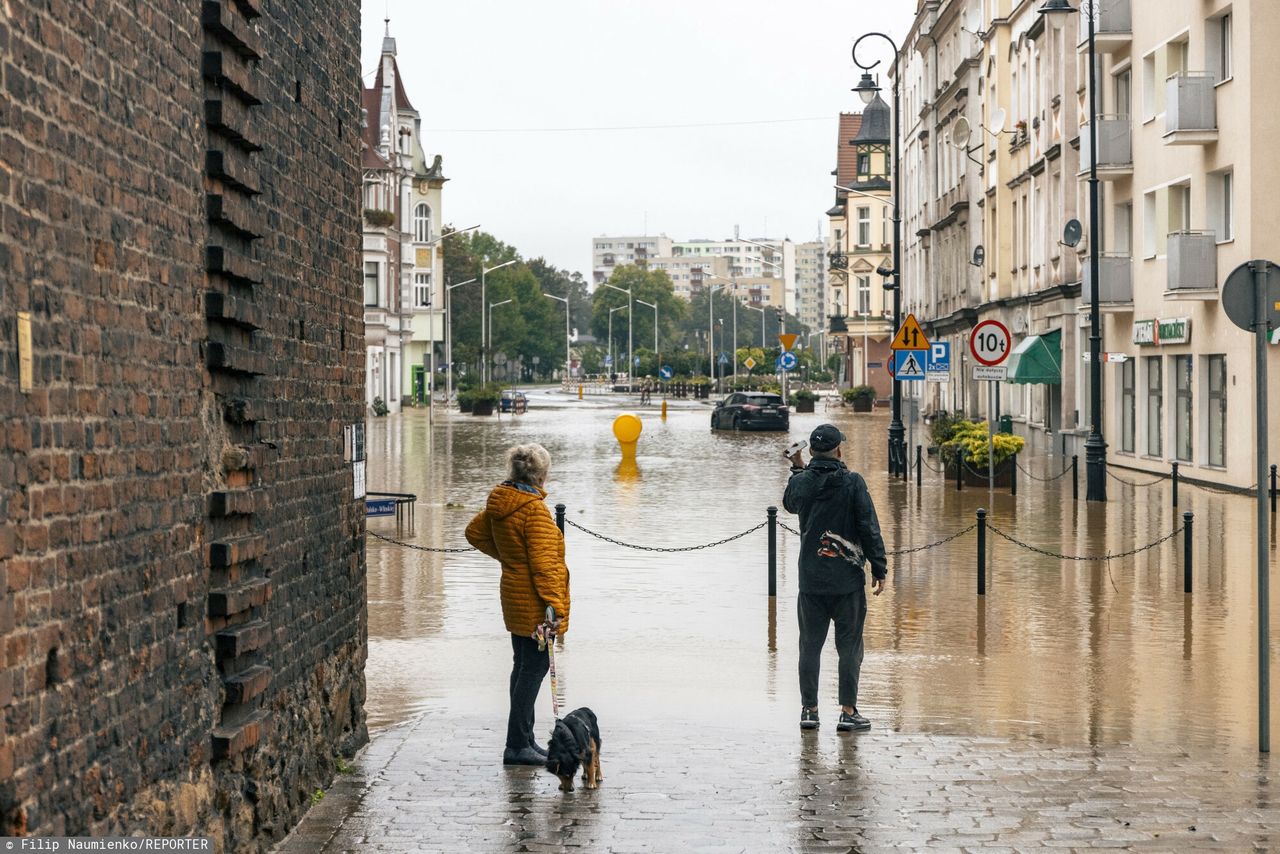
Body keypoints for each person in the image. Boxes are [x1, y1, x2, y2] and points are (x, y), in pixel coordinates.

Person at [465, 443, 571, 765]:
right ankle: (516, 746)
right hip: (535, 603)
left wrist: (510, 560)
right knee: (533, 669)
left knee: (522, 665)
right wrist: (557, 609)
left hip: (513, 596)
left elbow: (474, 533)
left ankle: (524, 739)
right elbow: (545, 566)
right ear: (541, 475)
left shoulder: (502, 503)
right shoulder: (534, 510)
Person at [782, 423, 888, 732]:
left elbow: (790, 503)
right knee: (849, 647)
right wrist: (879, 567)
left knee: (810, 646)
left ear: (811, 451)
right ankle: (847, 711)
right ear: (839, 450)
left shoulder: (801, 482)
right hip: (847, 581)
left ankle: (809, 711)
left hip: (811, 580)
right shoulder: (853, 482)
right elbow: (869, 526)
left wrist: (797, 470)